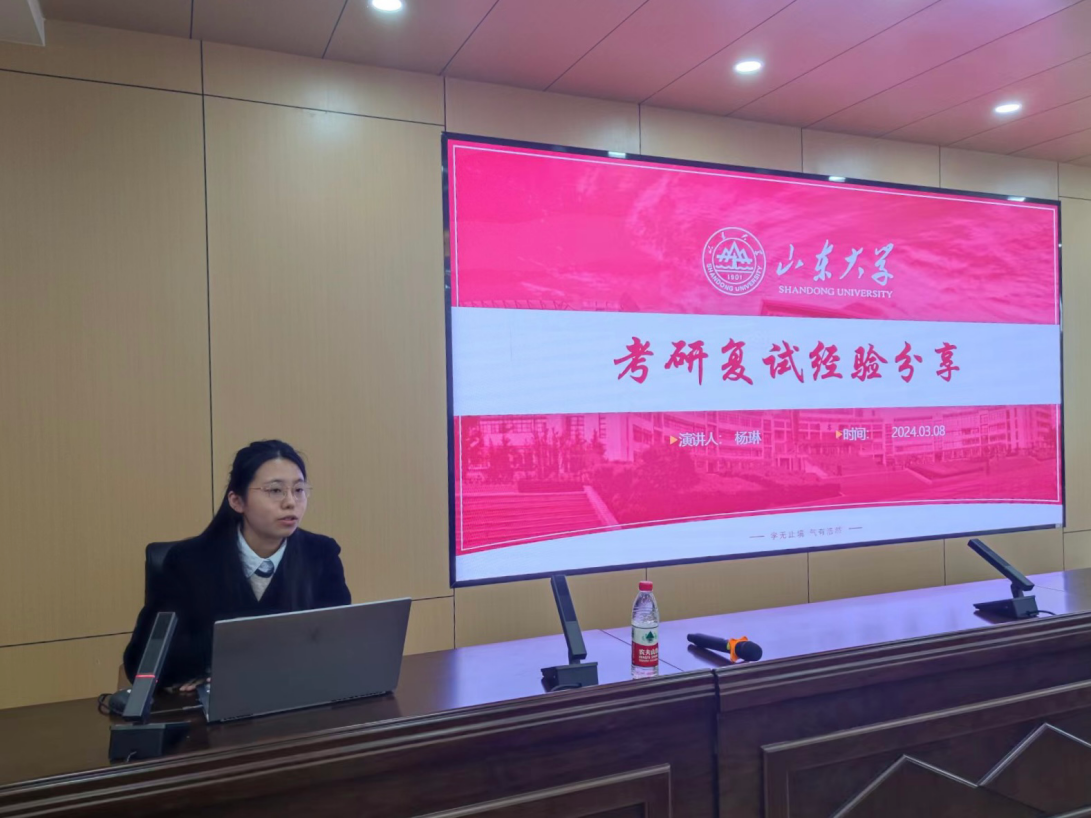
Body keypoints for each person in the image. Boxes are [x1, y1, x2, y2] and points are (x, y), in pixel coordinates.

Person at [123, 440, 351, 689]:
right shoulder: (188, 562)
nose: (290, 502)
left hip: (299, 693)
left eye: (298, 490)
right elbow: (143, 660)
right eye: (275, 490)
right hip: (216, 701)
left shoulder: (321, 554)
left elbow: (338, 643)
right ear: (237, 501)